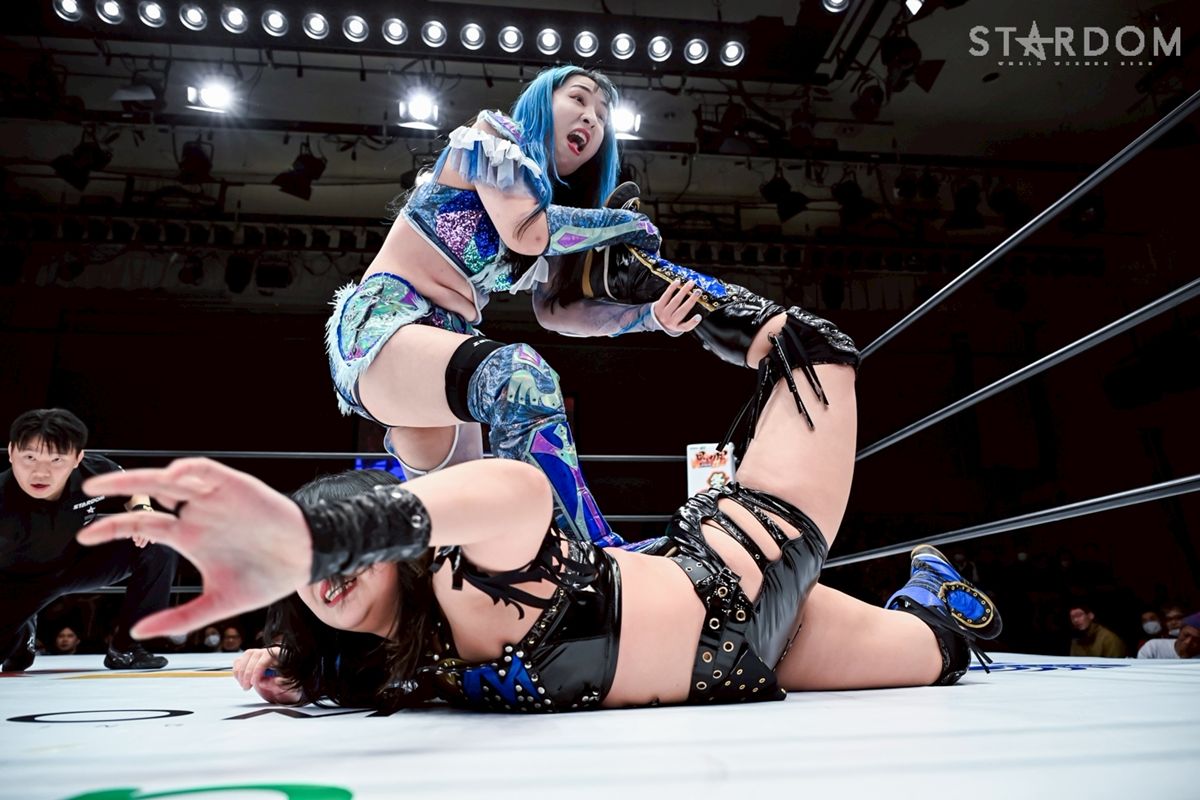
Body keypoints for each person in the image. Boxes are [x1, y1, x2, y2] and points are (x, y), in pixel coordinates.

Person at [81, 306, 1003, 712]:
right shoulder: (379, 661)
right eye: (313, 570)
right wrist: (292, 672)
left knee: (817, 353)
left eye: (337, 551)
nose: (328, 578)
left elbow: (520, 490)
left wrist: (319, 532)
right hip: (738, 667)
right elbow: (322, 663)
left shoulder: (465, 569)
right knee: (944, 652)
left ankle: (706, 310)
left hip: (739, 573)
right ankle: (936, 592)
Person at [326, 65, 703, 553]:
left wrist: (649, 318)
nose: (592, 118)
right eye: (579, 99)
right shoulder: (493, 138)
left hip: (441, 353)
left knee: (462, 547)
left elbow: (557, 312)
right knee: (520, 376)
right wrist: (624, 225)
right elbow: (528, 233)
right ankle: (590, 551)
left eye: (602, 115)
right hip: (386, 324)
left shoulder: (548, 207)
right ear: (542, 101)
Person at [1, 408, 177, 671]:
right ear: (11, 452)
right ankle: (23, 636)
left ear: (77, 458)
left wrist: (143, 511)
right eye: (30, 457)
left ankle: (126, 648)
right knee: (17, 662)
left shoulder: (93, 471)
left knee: (158, 541)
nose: (41, 473)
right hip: (19, 583)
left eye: (56, 460)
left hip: (76, 563)